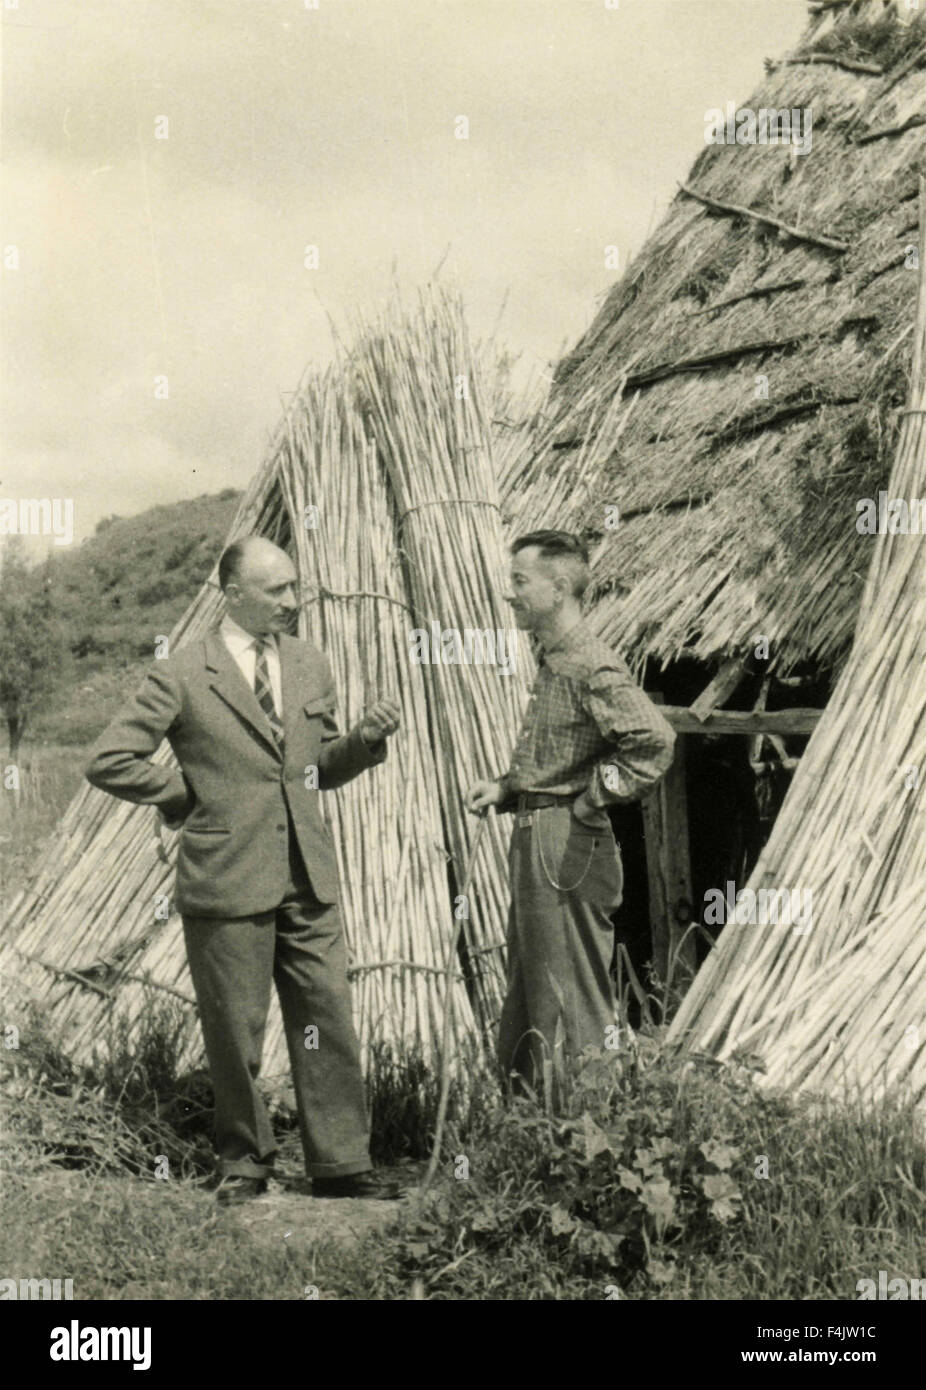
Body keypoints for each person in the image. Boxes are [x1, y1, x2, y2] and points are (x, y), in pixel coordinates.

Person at [85, 536, 402, 1203]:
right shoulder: (181, 672)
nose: (294, 600)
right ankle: (245, 1162)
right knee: (235, 1028)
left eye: (294, 586)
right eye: (278, 590)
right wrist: (182, 797)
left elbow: (317, 771)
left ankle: (341, 1165)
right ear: (233, 595)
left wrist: (365, 741)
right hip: (226, 874)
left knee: (328, 1015)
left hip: (307, 874)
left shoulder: (310, 664)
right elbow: (109, 758)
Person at [464, 530, 675, 1106]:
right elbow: (559, 755)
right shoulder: (556, 661)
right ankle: (533, 1129)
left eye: (519, 581)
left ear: (558, 588)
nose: (510, 594)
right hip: (536, 832)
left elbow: (654, 743)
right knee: (533, 985)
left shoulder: (590, 662)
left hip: (565, 839)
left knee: (571, 990)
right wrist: (506, 789)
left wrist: (589, 800)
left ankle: (587, 1134)